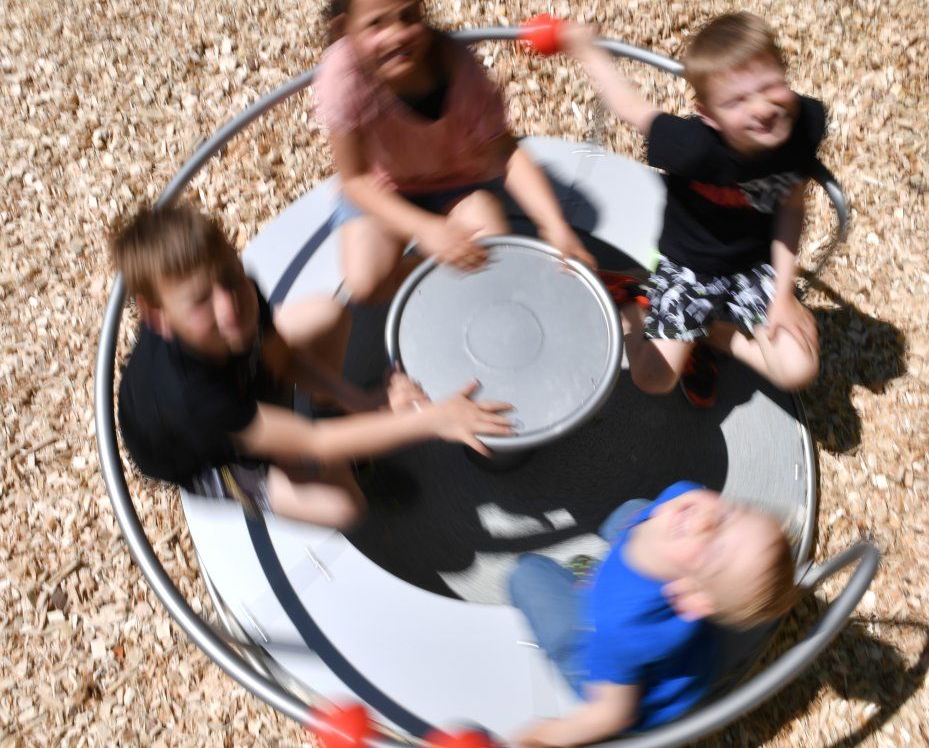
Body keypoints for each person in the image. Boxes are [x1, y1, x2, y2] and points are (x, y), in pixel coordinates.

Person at [111, 204, 512, 529]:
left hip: (236, 391)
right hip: (208, 454)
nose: (230, 308)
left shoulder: (236, 296)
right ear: (157, 316)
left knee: (327, 315)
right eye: (200, 301)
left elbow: (282, 356)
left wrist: (359, 402)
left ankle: (331, 414)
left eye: (232, 278)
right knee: (344, 506)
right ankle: (246, 485)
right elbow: (313, 442)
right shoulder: (188, 398)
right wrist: (436, 420)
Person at [560, 13, 823, 407]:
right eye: (737, 100)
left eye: (771, 86)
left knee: (798, 370)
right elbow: (632, 108)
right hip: (690, 264)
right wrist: (588, 52)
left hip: (755, 264)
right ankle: (635, 308)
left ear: (786, 75)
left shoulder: (802, 126)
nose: (763, 108)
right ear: (708, 116)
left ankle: (717, 335)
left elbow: (791, 205)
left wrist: (783, 293)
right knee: (653, 379)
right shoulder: (694, 147)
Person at [313, 0, 595, 304]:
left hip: (456, 184)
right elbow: (354, 181)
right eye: (376, 24)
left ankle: (464, 300)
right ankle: (431, 279)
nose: (397, 35)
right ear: (345, 30)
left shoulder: (459, 69)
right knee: (366, 283)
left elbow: (505, 153)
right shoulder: (342, 74)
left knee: (490, 251)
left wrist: (554, 225)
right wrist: (427, 230)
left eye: (408, 16)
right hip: (384, 187)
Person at [509, 482, 797, 746]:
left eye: (713, 553)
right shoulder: (683, 500)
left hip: (624, 681)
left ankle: (588, 580)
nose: (707, 522)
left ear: (690, 596)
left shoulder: (622, 626)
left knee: (526, 575)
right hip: (688, 655)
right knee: (630, 512)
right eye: (728, 515)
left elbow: (612, 714)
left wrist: (542, 738)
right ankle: (603, 568)